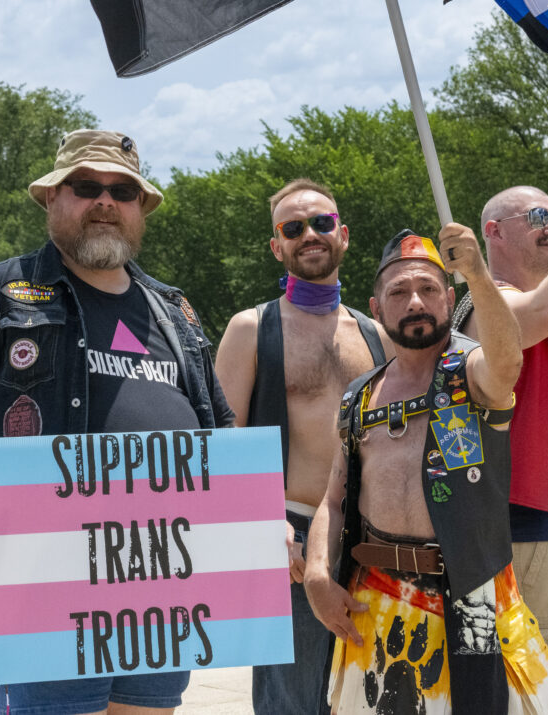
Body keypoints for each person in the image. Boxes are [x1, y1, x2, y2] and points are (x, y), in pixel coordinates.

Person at [0, 129, 236, 715]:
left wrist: (256, 518)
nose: (105, 201)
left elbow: (220, 434)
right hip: (44, 582)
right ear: (53, 197)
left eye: (122, 191)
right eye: (86, 186)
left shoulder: (175, 309)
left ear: (141, 208)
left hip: (162, 583)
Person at [304, 226, 548, 713]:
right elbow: (334, 500)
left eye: (429, 288)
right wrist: (317, 575)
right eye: (399, 292)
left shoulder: (473, 371)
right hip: (375, 601)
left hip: (474, 601)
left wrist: (478, 274)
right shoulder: (359, 395)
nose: (415, 301)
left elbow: (507, 362)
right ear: (377, 309)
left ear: (450, 298)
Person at [215, 178, 391, 713]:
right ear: (277, 246)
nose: (309, 234)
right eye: (293, 228)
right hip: (286, 540)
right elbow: (222, 444)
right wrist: (261, 526)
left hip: (368, 540)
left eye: (321, 222)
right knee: (291, 703)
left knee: (370, 698)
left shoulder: (378, 335)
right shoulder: (251, 328)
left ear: (343, 235)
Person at [454, 185, 548, 712]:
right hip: (531, 539)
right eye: (536, 216)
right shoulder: (484, 307)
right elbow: (544, 310)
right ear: (493, 232)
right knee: (540, 701)